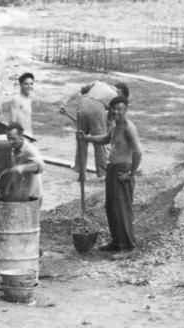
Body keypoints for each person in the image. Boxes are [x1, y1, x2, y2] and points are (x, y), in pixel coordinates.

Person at [79, 95, 142, 252]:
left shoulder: (129, 128)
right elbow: (106, 139)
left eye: (119, 109)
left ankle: (128, 247)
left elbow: (138, 152)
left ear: (125, 110)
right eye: (113, 109)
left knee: (121, 209)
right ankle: (116, 242)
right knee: (111, 207)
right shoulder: (115, 126)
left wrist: (131, 174)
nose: (115, 112)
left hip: (123, 170)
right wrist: (86, 138)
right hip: (112, 169)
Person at [61, 80, 127, 178]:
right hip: (96, 108)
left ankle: (80, 171)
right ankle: (102, 174)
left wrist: (64, 103)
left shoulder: (98, 83)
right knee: (100, 144)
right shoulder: (115, 95)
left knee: (81, 139)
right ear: (120, 91)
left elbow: (79, 90)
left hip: (82, 105)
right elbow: (111, 119)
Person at [0, 121, 44, 202]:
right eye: (8, 138)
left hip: (33, 196)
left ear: (21, 136)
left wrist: (23, 167)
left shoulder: (30, 150)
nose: (10, 142)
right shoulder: (13, 150)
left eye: (13, 138)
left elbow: (41, 166)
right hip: (22, 195)